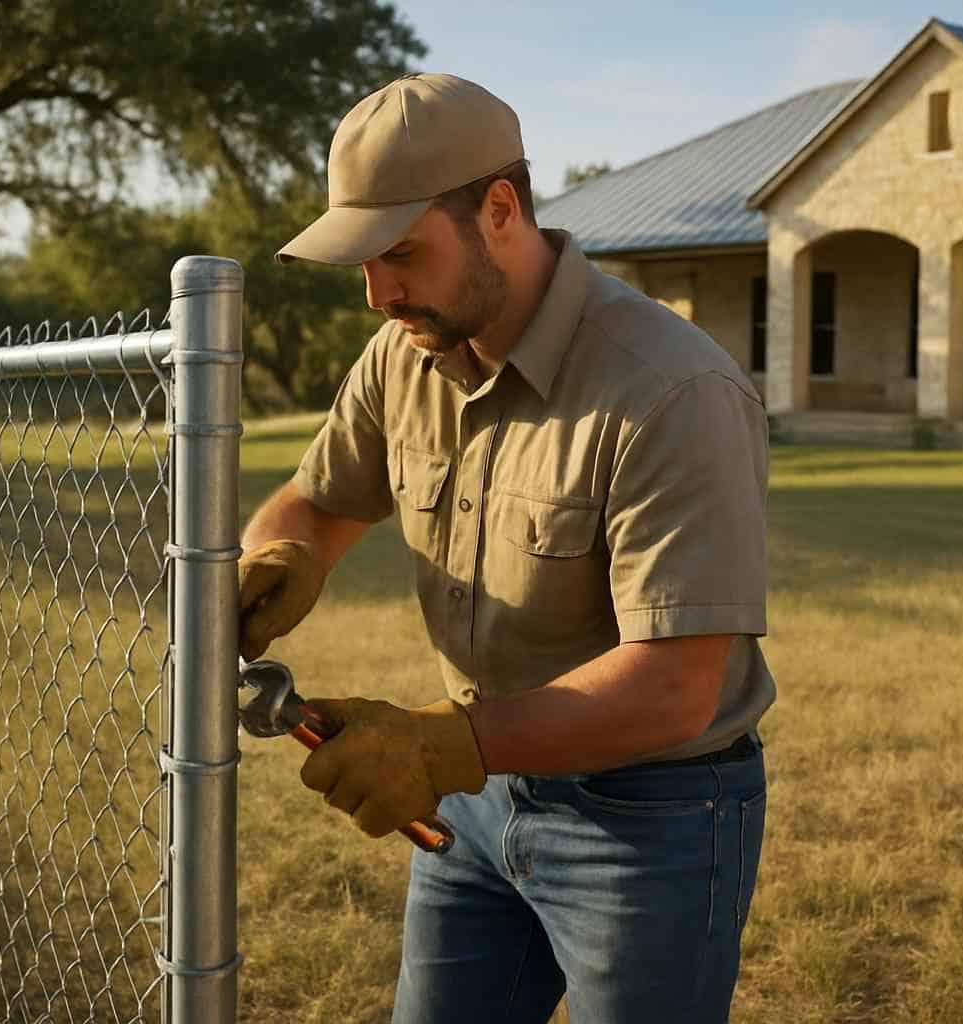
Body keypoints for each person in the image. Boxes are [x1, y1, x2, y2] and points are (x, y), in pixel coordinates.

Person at [238, 72, 775, 1024]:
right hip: (474, 800)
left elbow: (677, 684)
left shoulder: (672, 389)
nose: (375, 294)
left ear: (499, 210)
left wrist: (440, 744)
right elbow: (315, 503)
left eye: (399, 252)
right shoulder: (405, 354)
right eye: (360, 262)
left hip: (652, 820)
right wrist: (286, 557)